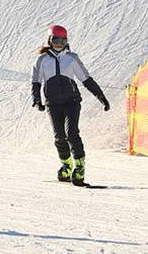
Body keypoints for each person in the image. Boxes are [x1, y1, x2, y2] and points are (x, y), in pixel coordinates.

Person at [31, 24, 110, 185]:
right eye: (56, 39)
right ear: (49, 40)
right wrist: (37, 99)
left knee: (71, 134)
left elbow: (86, 79)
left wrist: (101, 97)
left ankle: (79, 168)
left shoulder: (72, 58)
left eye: (62, 40)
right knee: (59, 137)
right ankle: (66, 166)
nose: (59, 43)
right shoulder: (42, 60)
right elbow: (36, 81)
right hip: (53, 103)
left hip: (71, 101)